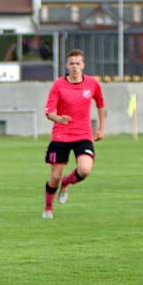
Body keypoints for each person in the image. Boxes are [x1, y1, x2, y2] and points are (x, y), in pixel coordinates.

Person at [42, 48, 105, 219]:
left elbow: (100, 104)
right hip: (61, 135)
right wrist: (59, 119)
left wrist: (101, 127)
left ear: (83, 65)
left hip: (83, 134)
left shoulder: (92, 84)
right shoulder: (58, 85)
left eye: (78, 63)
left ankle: (67, 183)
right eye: (72, 64)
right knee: (54, 176)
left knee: (84, 169)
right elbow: (48, 112)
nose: (75, 66)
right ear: (67, 66)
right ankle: (48, 207)